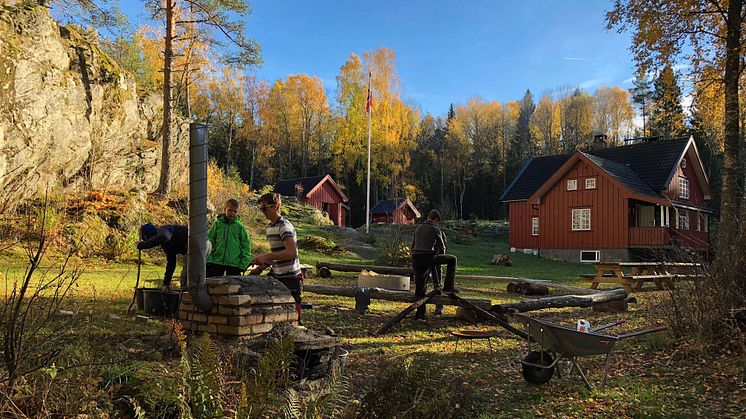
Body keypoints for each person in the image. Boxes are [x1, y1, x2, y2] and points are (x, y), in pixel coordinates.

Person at [251, 193, 304, 320]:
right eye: (261, 208)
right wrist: (261, 268)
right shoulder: (269, 227)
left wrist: (267, 256)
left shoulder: (284, 226)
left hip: (291, 277)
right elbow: (277, 254)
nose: (262, 211)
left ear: (275, 207)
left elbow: (292, 253)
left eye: (264, 208)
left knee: (293, 317)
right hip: (277, 275)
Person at [411, 209, 458, 320]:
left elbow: (413, 245)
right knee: (452, 260)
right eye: (438, 221)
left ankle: (420, 314)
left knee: (420, 287)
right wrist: (439, 260)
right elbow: (442, 247)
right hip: (428, 257)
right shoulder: (435, 229)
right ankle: (449, 286)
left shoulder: (418, 228)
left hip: (416, 257)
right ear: (436, 219)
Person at [206, 198, 252, 277]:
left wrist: (243, 264)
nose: (232, 213)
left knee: (233, 287)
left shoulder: (240, 227)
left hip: (234, 264)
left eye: (235, 211)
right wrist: (209, 259)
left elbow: (246, 246)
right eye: (230, 210)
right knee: (213, 286)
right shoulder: (217, 224)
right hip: (216, 262)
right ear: (225, 210)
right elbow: (210, 241)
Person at [137, 223, 188, 292]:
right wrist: (166, 283)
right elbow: (171, 263)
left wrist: (144, 245)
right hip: (195, 247)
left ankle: (186, 300)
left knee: (186, 279)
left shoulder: (163, 230)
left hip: (196, 245)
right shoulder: (166, 243)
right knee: (187, 278)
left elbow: (164, 237)